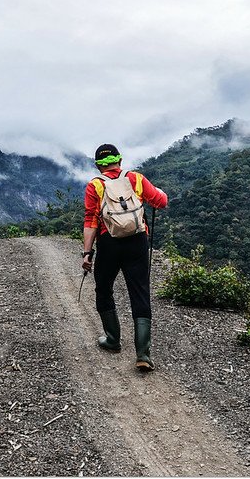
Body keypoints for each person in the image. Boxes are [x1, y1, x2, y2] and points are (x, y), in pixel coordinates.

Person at [81, 143, 168, 371]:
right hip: (137, 242)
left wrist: (87, 253)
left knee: (104, 288)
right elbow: (161, 202)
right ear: (119, 160)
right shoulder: (136, 179)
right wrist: (159, 192)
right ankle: (143, 354)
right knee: (139, 292)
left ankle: (113, 339)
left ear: (98, 165)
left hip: (109, 242)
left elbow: (90, 220)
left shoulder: (95, 186)